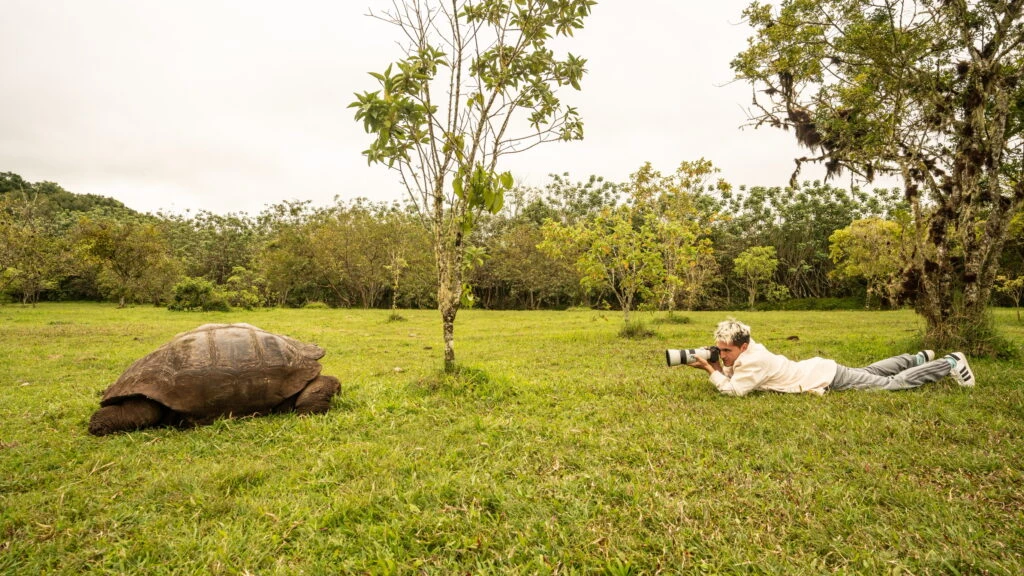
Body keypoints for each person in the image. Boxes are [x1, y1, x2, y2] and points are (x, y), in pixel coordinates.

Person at [687, 318, 976, 396]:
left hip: (825, 377)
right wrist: (718, 367)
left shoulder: (754, 360)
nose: (722, 355)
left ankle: (950, 363)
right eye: (720, 349)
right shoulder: (750, 352)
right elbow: (736, 377)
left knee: (890, 385)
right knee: (873, 372)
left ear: (743, 346)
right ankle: (916, 358)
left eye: (727, 351)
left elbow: (736, 391)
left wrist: (710, 371)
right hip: (819, 369)